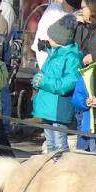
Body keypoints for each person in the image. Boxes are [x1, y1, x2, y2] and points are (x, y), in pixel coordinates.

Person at [31, 19, 82, 153]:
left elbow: (68, 83)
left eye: (51, 36)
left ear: (60, 39)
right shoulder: (53, 54)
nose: (49, 39)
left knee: (60, 145)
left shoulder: (72, 58)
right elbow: (43, 73)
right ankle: (51, 169)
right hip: (47, 106)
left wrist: (43, 82)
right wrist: (37, 81)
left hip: (58, 107)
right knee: (50, 145)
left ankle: (61, 169)